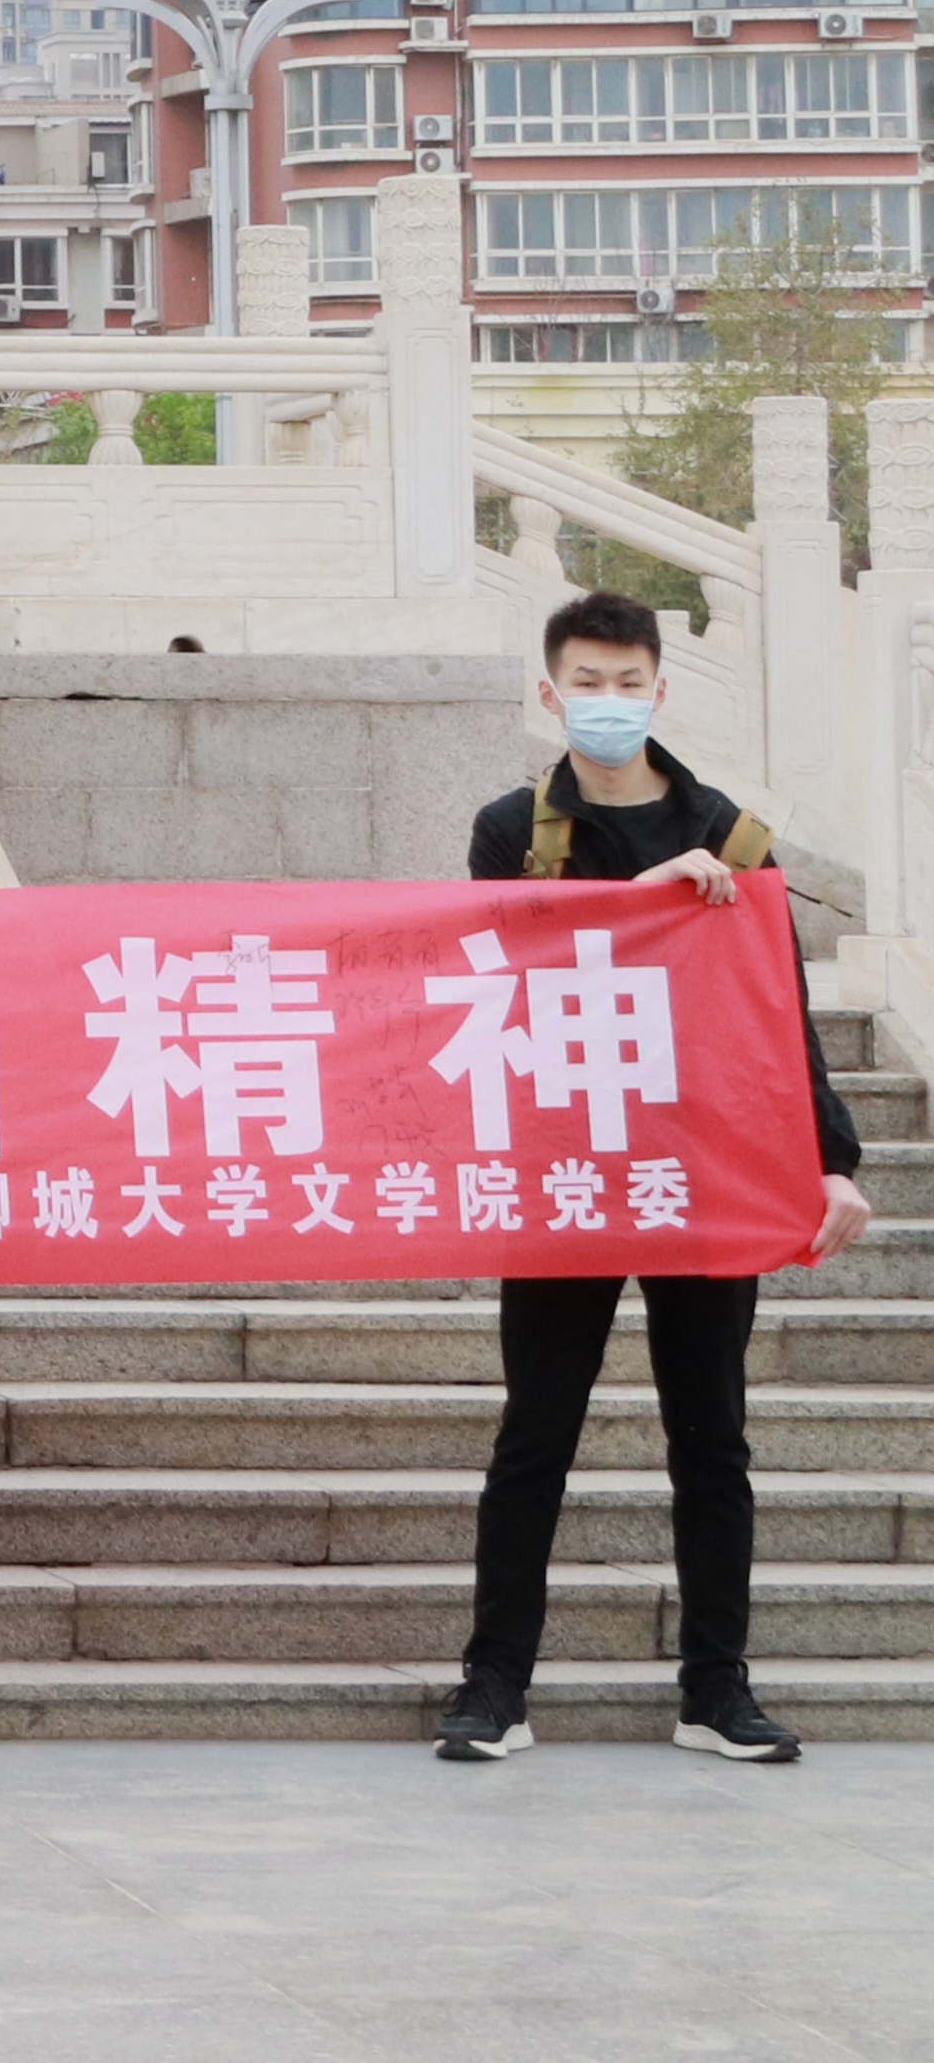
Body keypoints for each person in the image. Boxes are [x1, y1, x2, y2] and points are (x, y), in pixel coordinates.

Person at [441, 590, 876, 1767]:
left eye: (627, 682)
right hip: (568, 1169)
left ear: (659, 689)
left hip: (705, 1168)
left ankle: (715, 1688)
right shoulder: (512, 829)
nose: (608, 701)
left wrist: (829, 1158)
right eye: (587, 681)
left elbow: (778, 1007)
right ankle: (493, 1684)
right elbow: (503, 963)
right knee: (535, 1430)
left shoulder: (730, 832)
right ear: (549, 691)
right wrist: (639, 904)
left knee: (712, 1436)